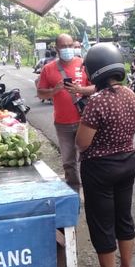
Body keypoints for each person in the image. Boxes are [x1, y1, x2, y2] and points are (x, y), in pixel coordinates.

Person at [76, 42, 135, 267]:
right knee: (123, 218)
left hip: (100, 169)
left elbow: (82, 142)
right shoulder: (131, 95)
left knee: (102, 225)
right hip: (128, 163)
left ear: (94, 72)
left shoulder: (96, 102)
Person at [37, 33, 96, 191]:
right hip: (62, 123)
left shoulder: (84, 64)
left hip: (85, 121)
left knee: (89, 157)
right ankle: (74, 193)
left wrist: (80, 89)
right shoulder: (48, 69)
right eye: (63, 46)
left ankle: (91, 191)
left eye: (70, 45)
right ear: (56, 48)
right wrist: (54, 91)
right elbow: (40, 93)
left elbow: (96, 87)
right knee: (68, 162)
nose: (68, 49)